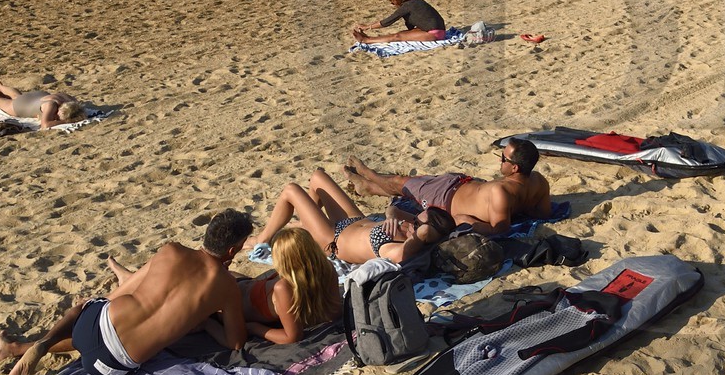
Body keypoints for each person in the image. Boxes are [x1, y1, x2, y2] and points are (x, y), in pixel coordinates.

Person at [0, 209, 253, 375]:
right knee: (112, 332)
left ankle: (41, 343)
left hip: (91, 326)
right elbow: (236, 342)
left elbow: (128, 289)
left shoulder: (170, 250)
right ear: (232, 250)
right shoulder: (226, 286)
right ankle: (17, 349)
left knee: (88, 308)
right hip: (113, 366)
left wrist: (103, 300)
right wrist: (207, 320)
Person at [345, 138, 552, 237]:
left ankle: (368, 173)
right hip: (459, 183)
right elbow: (543, 212)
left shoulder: (501, 192)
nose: (500, 161)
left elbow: (500, 230)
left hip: (444, 198)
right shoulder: (539, 181)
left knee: (400, 183)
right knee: (411, 184)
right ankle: (368, 188)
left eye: (503, 158)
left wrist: (468, 221)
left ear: (514, 167)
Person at [249, 169, 450, 267]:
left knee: (291, 190)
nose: (411, 222)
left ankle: (262, 239)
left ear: (424, 235)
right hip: (354, 221)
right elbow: (393, 209)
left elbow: (416, 240)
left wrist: (421, 233)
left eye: (417, 225)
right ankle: (308, 223)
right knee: (318, 177)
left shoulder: (398, 249)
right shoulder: (413, 225)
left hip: (333, 239)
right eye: (416, 219)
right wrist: (390, 216)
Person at [232, 228, 341, 345]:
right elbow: (335, 312)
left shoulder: (284, 287)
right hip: (240, 294)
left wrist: (254, 328)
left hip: (237, 297)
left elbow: (292, 337)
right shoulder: (326, 268)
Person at [0, 79, 86, 128]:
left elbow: (81, 111)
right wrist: (67, 121)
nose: (56, 118)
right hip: (23, 106)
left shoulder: (70, 100)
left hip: (38, 96)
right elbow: (45, 124)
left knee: (17, 97)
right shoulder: (51, 106)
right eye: (57, 116)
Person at [351, 0, 446, 43]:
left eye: (393, 3)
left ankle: (366, 40)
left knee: (397, 36)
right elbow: (411, 28)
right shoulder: (418, 1)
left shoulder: (406, 7)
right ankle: (369, 38)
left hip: (435, 35)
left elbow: (388, 22)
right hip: (438, 30)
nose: (393, 5)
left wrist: (367, 27)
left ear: (396, 1)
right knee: (402, 33)